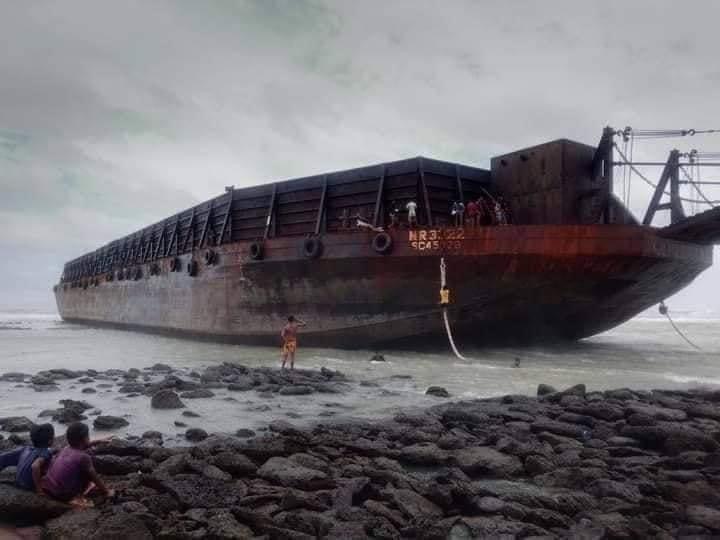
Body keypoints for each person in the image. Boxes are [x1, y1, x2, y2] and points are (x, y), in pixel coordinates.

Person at [41, 422, 113, 503]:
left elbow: (84, 445)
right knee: (89, 462)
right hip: (62, 494)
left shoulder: (66, 448)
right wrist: (107, 492)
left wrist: (99, 441)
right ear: (85, 438)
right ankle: (79, 495)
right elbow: (94, 476)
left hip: (49, 488)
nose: (89, 438)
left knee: (84, 456)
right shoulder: (84, 457)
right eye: (88, 436)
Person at [0, 423, 54, 493]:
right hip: (28, 486)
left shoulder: (26, 449)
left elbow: (4, 457)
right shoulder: (45, 452)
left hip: (18, 481)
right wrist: (39, 488)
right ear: (50, 441)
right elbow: (35, 466)